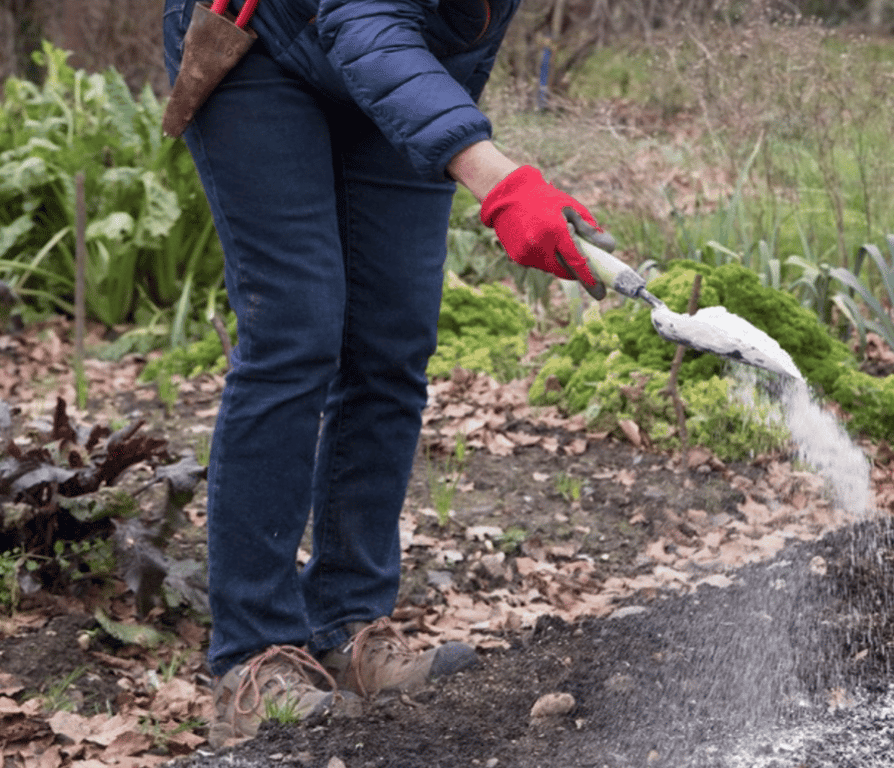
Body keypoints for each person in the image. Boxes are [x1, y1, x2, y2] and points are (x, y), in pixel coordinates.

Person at [161, 0, 605, 746]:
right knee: (296, 330)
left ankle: (347, 619)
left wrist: (444, 120)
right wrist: (497, 179)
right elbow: (363, 20)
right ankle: (251, 656)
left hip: (400, 66)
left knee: (393, 341)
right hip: (263, 38)